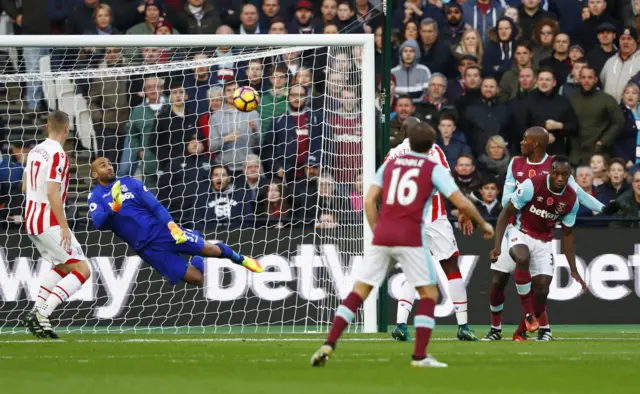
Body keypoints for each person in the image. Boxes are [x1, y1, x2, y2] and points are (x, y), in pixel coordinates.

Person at [310, 121, 494, 369]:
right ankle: (423, 353)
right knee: (431, 291)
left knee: (359, 291)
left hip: (385, 230)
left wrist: (377, 232)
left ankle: (330, 342)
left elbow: (369, 201)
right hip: (417, 229)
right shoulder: (433, 161)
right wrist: (483, 224)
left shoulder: (391, 161)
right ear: (430, 144)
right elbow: (460, 201)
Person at [480, 127, 604, 342]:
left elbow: (576, 195)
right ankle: (495, 329)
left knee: (541, 287)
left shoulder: (556, 166)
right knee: (499, 279)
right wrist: (522, 196)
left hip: (542, 233)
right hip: (514, 226)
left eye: (525, 139)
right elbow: (505, 202)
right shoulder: (516, 163)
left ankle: (539, 327)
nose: (521, 142)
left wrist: (604, 208)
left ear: (536, 143)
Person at [89, 158, 263, 288]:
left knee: (212, 250)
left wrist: (172, 226)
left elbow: (156, 206)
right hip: (147, 248)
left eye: (110, 163)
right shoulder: (95, 196)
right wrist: (114, 207)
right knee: (196, 279)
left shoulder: (130, 182)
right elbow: (99, 223)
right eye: (103, 165)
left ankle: (242, 260)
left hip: (162, 232)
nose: (109, 166)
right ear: (95, 174)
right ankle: (197, 255)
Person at [385, 117, 480, 342]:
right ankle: (463, 326)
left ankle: (400, 325)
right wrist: (464, 209)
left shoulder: (393, 154)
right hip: (434, 219)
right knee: (451, 269)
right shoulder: (432, 148)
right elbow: (446, 180)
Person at [489, 155, 588, 340]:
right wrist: (497, 247)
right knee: (519, 261)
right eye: (556, 173)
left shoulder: (571, 199)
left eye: (564, 174)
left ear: (569, 175)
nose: (560, 178)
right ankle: (520, 317)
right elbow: (505, 213)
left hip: (544, 240)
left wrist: (573, 269)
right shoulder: (532, 184)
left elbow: (567, 235)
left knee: (542, 290)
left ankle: (522, 330)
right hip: (519, 230)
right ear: (549, 171)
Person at [21, 111, 91, 339]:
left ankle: (38, 316)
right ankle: (42, 313)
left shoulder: (34, 151)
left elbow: (24, 187)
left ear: (46, 127)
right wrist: (63, 226)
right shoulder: (58, 155)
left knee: (64, 265)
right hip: (48, 220)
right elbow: (52, 191)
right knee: (82, 270)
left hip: (30, 218)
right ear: (67, 130)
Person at [568, 66, 624, 166]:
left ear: (595, 79)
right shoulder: (571, 98)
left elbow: (618, 122)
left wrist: (603, 141)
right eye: (583, 77)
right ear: (579, 79)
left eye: (590, 78)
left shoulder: (607, 99)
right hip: (576, 155)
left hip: (598, 155)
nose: (586, 81)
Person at [521, 68, 579, 155]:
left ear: (554, 83)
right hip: (533, 152)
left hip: (557, 151)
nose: (544, 82)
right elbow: (521, 127)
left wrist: (559, 125)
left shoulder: (562, 101)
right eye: (541, 79)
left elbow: (574, 126)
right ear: (537, 82)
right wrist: (540, 137)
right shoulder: (528, 100)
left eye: (547, 80)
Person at [601, 28, 640, 102]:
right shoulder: (610, 61)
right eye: (622, 39)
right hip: (610, 110)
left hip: (633, 110)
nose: (625, 42)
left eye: (629, 39)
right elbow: (602, 82)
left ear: (636, 41)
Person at [392, 39, 432, 103]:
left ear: (416, 54)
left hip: (419, 108)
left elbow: (428, 94)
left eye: (411, 51)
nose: (408, 54)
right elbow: (386, 94)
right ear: (401, 54)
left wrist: (411, 104)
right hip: (397, 109)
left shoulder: (424, 70)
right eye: (405, 51)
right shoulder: (392, 73)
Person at [616, 83, 640, 166]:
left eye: (634, 93)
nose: (630, 95)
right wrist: (625, 160)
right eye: (627, 93)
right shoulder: (619, 112)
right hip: (628, 161)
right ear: (623, 96)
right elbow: (615, 141)